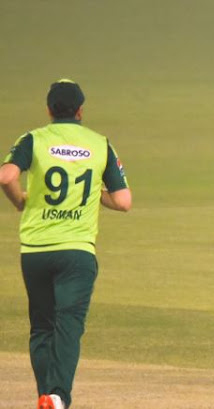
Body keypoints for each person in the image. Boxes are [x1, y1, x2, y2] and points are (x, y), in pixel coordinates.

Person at [0, 79, 132, 409]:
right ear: (81, 111)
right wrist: (92, 195)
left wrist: (19, 201)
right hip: (77, 252)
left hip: (36, 250)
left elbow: (6, 176)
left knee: (42, 326)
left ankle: (47, 396)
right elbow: (124, 201)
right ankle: (58, 396)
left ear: (49, 110)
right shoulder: (100, 143)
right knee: (69, 326)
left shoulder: (34, 139)